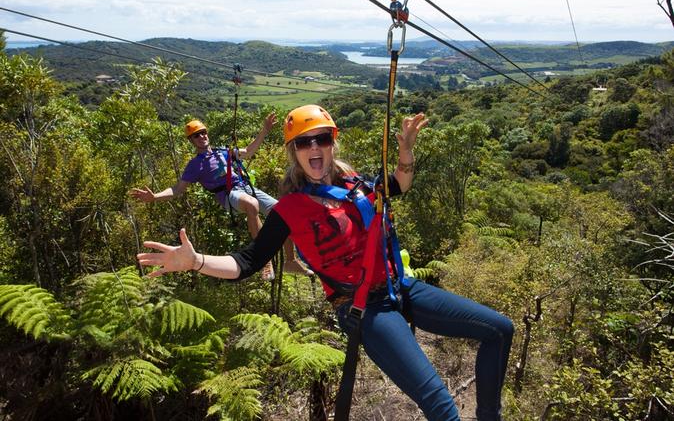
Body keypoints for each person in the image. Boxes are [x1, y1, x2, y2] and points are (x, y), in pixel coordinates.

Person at [137, 104, 514, 420]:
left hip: (401, 286)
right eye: (304, 142)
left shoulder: (352, 182)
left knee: (499, 329)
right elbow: (247, 262)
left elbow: (397, 184)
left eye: (322, 139)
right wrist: (196, 260)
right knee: (440, 405)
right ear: (294, 151)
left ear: (332, 144)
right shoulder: (290, 209)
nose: (314, 147)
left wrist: (406, 151)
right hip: (363, 307)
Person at [131, 113, 307, 281]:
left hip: (245, 187)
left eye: (203, 132)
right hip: (228, 195)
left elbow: (248, 152)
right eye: (196, 135)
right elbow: (177, 189)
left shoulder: (223, 152)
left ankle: (290, 261)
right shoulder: (195, 165)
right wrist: (154, 197)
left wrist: (264, 131)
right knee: (251, 204)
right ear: (191, 141)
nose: (201, 137)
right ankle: (264, 260)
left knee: (285, 211)